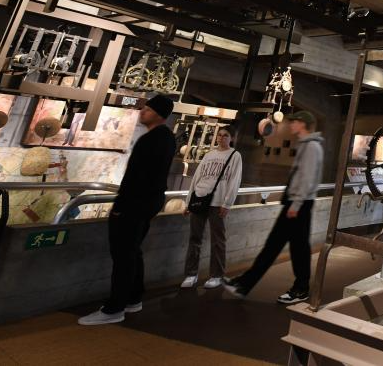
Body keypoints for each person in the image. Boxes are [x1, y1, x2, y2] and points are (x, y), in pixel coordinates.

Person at [79, 95, 177, 325]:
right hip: (148, 203)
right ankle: (133, 298)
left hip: (133, 204)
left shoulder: (151, 140)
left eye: (148, 109)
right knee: (133, 251)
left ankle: (114, 308)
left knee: (123, 255)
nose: (143, 111)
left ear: (159, 114)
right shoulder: (167, 138)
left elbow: (136, 177)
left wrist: (120, 206)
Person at [225, 110, 323, 305]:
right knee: (290, 247)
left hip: (298, 204)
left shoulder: (312, 147)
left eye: (294, 121)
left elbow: (307, 179)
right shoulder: (307, 145)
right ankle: (246, 284)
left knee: (284, 247)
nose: (291, 124)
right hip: (297, 203)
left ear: (303, 124)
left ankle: (298, 288)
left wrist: (295, 205)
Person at [181, 127, 242, 289]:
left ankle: (217, 275)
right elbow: (196, 178)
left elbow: (234, 181)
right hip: (200, 199)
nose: (221, 138)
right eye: (219, 135)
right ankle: (191, 274)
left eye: (225, 135)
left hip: (217, 202)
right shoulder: (209, 155)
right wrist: (188, 202)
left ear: (231, 138)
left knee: (218, 240)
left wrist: (227, 203)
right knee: (195, 238)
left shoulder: (235, 155)